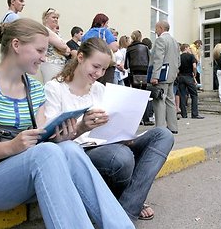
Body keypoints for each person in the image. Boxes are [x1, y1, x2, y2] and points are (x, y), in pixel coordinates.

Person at [0, 18, 135, 229]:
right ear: (16, 45)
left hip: (26, 175)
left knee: (68, 148)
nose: (43, 58)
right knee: (46, 153)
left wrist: (73, 130)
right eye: (40, 51)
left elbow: (43, 140)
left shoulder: (35, 88)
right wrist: (11, 146)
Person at [44, 37, 174, 221]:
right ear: (80, 57)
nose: (99, 73)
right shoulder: (55, 88)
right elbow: (50, 140)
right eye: (95, 66)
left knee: (163, 135)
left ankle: (127, 208)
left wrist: (124, 133)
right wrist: (81, 127)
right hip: (80, 151)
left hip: (108, 144)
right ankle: (127, 209)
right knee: (122, 157)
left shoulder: (100, 89)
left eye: (104, 69)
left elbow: (110, 125)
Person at [150, 20, 180, 134]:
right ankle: (173, 127)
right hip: (172, 75)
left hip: (162, 75)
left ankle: (160, 128)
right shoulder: (174, 41)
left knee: (159, 101)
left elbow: (158, 59)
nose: (155, 30)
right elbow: (178, 60)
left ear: (161, 28)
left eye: (156, 28)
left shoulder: (160, 40)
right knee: (170, 100)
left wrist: (155, 76)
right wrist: (175, 72)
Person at [125, 30, 153, 125]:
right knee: (144, 96)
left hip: (134, 73)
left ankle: (137, 119)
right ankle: (146, 119)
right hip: (144, 73)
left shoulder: (129, 48)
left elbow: (126, 64)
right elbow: (150, 61)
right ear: (140, 37)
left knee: (136, 96)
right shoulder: (145, 47)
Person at [81, 13, 118, 85]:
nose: (107, 25)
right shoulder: (104, 31)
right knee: (104, 89)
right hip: (105, 66)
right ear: (102, 23)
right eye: (107, 23)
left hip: (89, 64)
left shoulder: (87, 34)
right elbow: (114, 47)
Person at [40, 7, 70, 83]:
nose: (56, 19)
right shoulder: (45, 30)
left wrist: (63, 48)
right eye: (53, 17)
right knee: (51, 87)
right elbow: (63, 47)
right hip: (51, 64)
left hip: (59, 64)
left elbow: (68, 51)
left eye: (57, 18)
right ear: (46, 18)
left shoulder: (56, 33)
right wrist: (63, 48)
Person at [178, 44, 204, 118]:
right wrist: (195, 74)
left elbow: (177, 68)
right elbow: (194, 66)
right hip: (189, 77)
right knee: (194, 95)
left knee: (182, 95)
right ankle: (194, 114)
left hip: (181, 77)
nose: (190, 49)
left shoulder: (179, 57)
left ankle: (184, 114)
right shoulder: (191, 56)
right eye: (189, 48)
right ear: (186, 48)